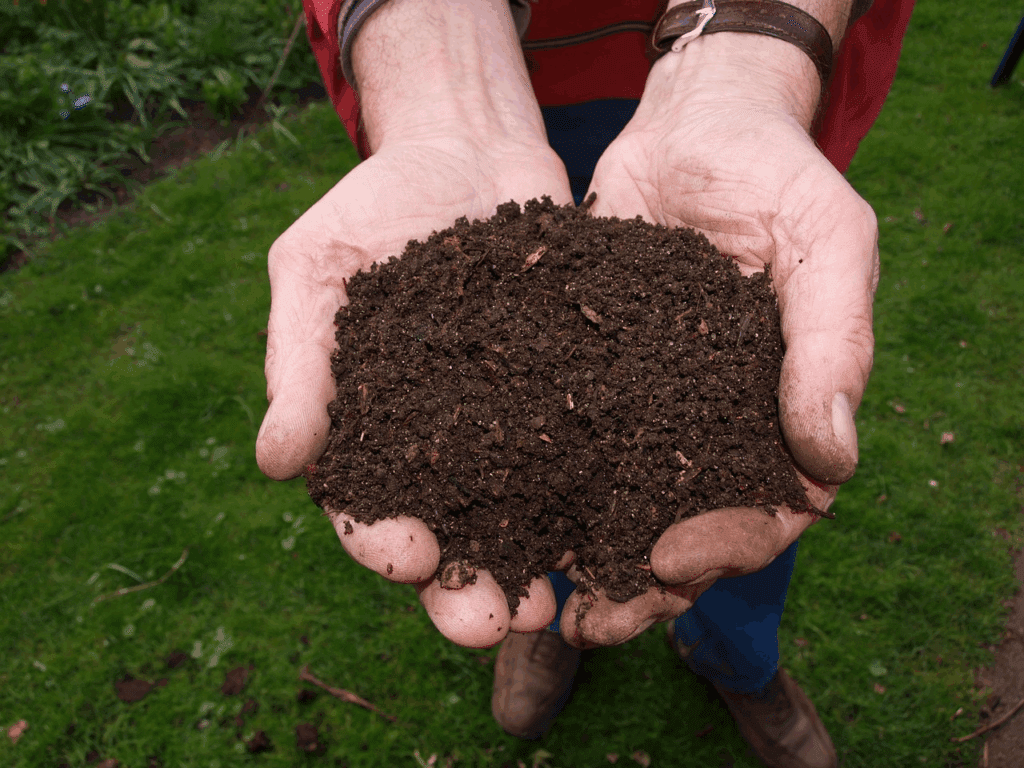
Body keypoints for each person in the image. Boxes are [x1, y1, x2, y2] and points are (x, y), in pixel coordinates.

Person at [256, 1, 916, 765]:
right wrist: (442, 70)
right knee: (548, 516)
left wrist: (748, 59)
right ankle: (549, 623)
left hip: (758, 66)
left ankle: (737, 660)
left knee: (747, 478)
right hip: (511, 70)